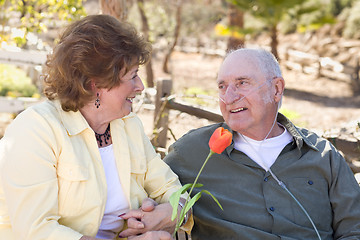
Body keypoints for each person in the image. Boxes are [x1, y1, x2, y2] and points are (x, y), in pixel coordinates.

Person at [0, 14, 191, 240]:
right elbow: (36, 230)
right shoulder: (36, 129)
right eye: (132, 76)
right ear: (97, 84)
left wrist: (170, 213)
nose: (140, 86)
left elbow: (172, 189)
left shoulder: (128, 125)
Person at [162, 48, 360, 239]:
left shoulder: (323, 155)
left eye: (242, 83)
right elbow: (147, 189)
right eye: (222, 86)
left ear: (276, 89)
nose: (229, 98)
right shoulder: (192, 151)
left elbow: (354, 229)